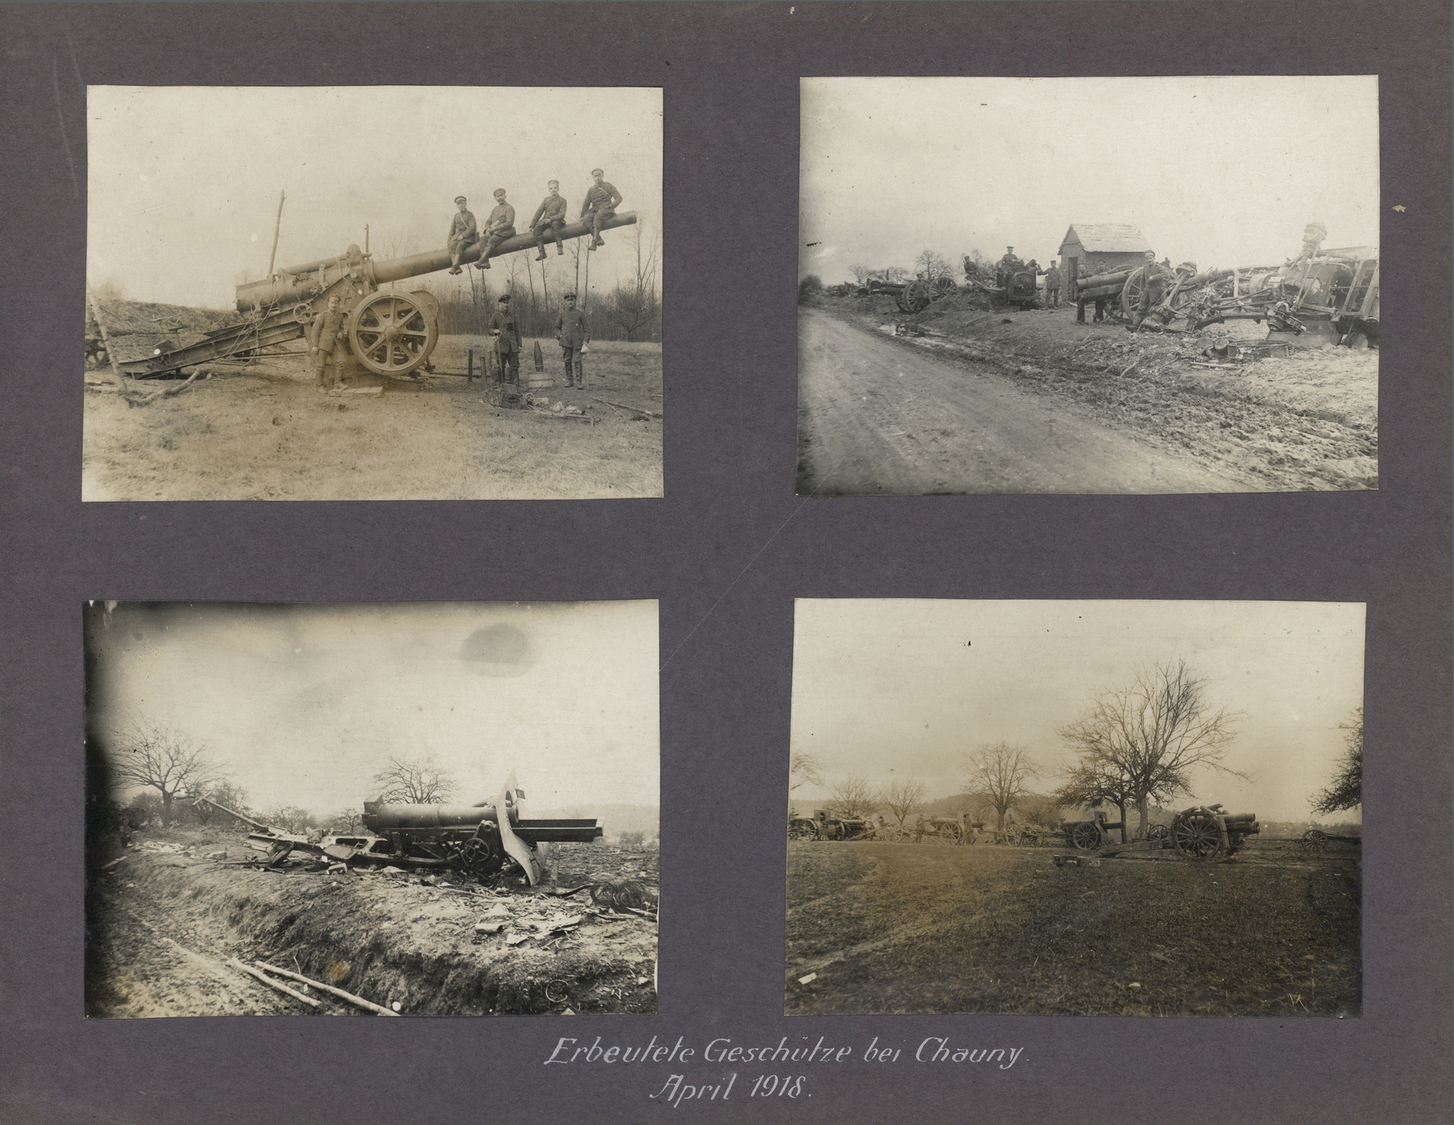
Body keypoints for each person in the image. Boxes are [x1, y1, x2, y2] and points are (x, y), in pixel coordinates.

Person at [306, 295, 348, 391]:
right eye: (332, 303)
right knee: (321, 365)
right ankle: (319, 385)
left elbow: (341, 327)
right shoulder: (323, 316)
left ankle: (337, 383)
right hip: (324, 344)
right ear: (328, 304)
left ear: (338, 304)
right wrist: (315, 345)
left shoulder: (340, 316)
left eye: (335, 303)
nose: (334, 305)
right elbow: (315, 331)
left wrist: (341, 332)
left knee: (341, 361)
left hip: (335, 344)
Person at [581, 168, 622, 249]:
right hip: (596, 210)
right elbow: (586, 203)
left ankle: (594, 242)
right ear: (593, 177)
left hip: (607, 209)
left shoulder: (608, 186)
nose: (597, 178)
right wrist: (582, 215)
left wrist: (611, 206)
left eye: (599, 175)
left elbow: (619, 198)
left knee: (597, 218)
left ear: (602, 175)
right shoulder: (591, 189)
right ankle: (599, 239)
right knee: (586, 218)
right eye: (595, 176)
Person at [555, 292, 589, 388]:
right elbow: (556, 328)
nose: (570, 302)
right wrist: (560, 336)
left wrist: (585, 341)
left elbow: (587, 328)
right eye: (568, 300)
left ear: (575, 301)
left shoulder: (580, 314)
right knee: (567, 360)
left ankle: (579, 381)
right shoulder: (562, 314)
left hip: (577, 341)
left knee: (577, 360)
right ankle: (569, 380)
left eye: (572, 300)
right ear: (565, 302)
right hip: (565, 341)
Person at [475, 189, 515, 270]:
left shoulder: (509, 208)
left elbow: (509, 223)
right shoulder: (495, 209)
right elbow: (488, 221)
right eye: (497, 196)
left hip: (505, 231)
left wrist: (495, 228)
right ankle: (486, 262)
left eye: (501, 195)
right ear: (495, 198)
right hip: (494, 231)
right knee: (483, 239)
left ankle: (481, 260)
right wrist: (487, 229)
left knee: (492, 240)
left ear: (505, 196)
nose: (500, 198)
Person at [530, 180, 568, 260]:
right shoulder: (546, 200)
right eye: (551, 188)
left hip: (556, 220)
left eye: (555, 187)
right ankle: (541, 252)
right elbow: (539, 212)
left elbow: (562, 214)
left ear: (558, 188)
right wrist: (532, 224)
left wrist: (550, 219)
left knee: (555, 225)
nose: (553, 190)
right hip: (545, 220)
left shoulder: (562, 200)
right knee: (537, 228)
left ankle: (559, 247)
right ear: (549, 190)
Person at [489, 293, 521, 384]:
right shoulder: (495, 316)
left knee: (514, 367)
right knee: (501, 367)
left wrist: (519, 345)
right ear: (500, 304)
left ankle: (516, 386)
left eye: (507, 303)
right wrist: (495, 331)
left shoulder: (513, 316)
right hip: (501, 345)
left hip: (512, 346)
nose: (506, 305)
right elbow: (489, 330)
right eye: (504, 303)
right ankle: (501, 386)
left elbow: (518, 331)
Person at [446, 196, 478, 274]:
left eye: (462, 203)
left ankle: (455, 266)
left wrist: (463, 236)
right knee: (451, 246)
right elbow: (452, 230)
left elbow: (472, 228)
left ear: (465, 204)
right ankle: (458, 268)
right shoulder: (456, 216)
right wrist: (449, 240)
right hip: (458, 237)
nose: (461, 205)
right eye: (459, 204)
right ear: (457, 206)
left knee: (460, 245)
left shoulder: (470, 215)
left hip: (468, 237)